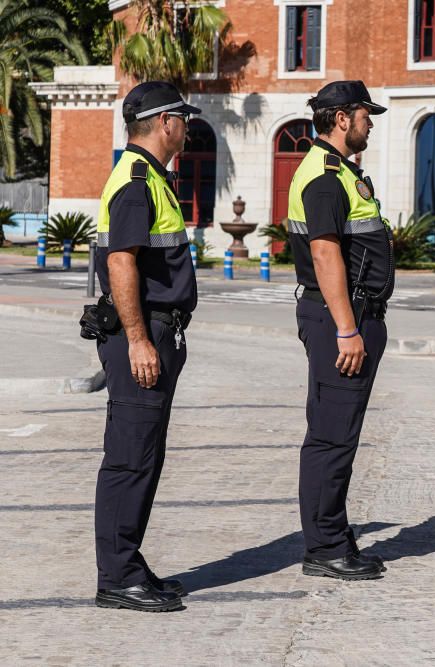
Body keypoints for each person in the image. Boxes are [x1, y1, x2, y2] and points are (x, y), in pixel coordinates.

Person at [92, 82, 200, 612]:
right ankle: (116, 577)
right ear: (164, 123)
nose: (186, 125)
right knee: (130, 459)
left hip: (157, 329)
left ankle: (128, 563)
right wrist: (138, 341)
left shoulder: (151, 177)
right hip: (142, 333)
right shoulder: (137, 180)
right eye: (182, 117)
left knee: (145, 456)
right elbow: (120, 263)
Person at [286, 80, 394, 581]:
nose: (370, 121)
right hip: (341, 320)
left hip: (348, 316)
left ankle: (332, 535)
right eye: (365, 114)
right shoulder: (326, 177)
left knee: (337, 435)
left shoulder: (339, 172)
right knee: (332, 438)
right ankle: (326, 546)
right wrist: (348, 330)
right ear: (343, 117)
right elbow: (325, 253)